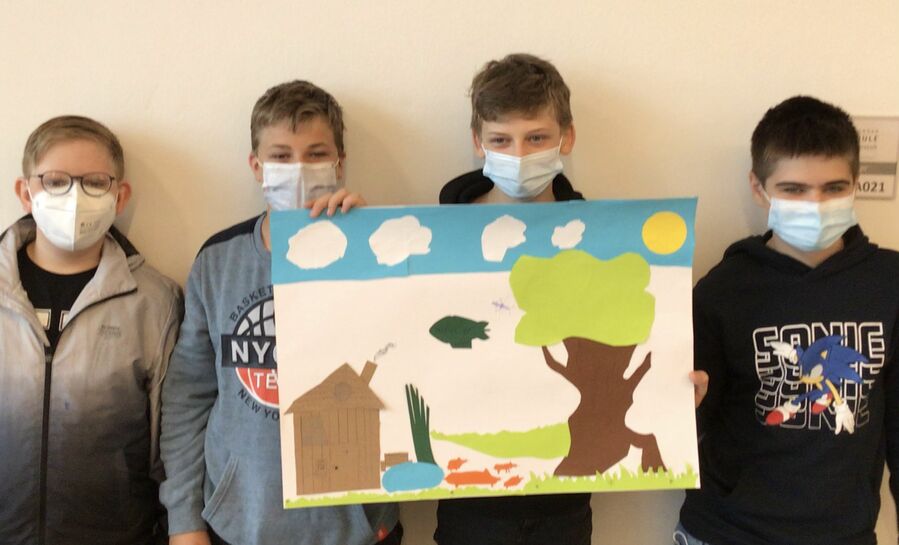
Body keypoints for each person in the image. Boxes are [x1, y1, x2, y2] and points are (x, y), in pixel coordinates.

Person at [159, 80, 401, 545]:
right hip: (239, 522)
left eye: (315, 154)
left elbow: (408, 365)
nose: (298, 169)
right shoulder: (218, 261)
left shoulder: (380, 251)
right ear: (256, 167)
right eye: (281, 156)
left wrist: (367, 247)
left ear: (339, 163)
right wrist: (184, 521)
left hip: (356, 527)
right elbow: (187, 398)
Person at [675, 95, 899, 545]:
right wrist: (683, 405)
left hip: (844, 534)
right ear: (759, 188)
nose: (815, 204)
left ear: (855, 184)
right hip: (727, 531)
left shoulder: (889, 282)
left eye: (833, 188)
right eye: (794, 189)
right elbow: (687, 429)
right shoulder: (722, 290)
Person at [0, 115, 183, 544]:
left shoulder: (155, 301)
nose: (75, 196)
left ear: (120, 196)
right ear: (25, 193)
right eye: (55, 181)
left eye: (95, 183)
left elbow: (173, 444)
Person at [434, 52, 593, 545]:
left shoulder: (599, 238)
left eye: (537, 138)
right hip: (468, 502)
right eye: (501, 140)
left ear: (567, 137)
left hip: (565, 501)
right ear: (477, 142)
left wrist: (671, 385)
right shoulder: (437, 239)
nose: (519, 155)